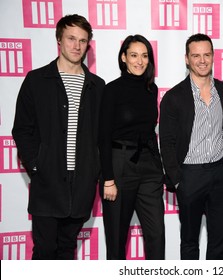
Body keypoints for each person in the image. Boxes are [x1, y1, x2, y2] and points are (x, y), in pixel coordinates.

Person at [12, 14, 105, 259]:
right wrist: (36, 164)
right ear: (59, 40)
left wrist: (95, 170)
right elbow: (22, 129)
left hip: (82, 183)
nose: (77, 46)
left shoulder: (98, 86)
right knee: (44, 251)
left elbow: (102, 136)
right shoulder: (36, 80)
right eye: (71, 38)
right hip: (47, 181)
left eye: (83, 41)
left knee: (67, 250)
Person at [159, 33, 223, 260]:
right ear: (186, 59)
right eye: (196, 55)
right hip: (190, 175)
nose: (202, 60)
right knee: (190, 240)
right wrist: (179, 180)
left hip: (220, 173)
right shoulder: (173, 97)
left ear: (213, 56)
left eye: (207, 55)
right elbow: (167, 143)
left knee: (221, 238)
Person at [98, 34, 165, 260]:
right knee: (117, 240)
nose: (139, 61)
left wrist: (159, 169)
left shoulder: (151, 89)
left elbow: (148, 131)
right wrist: (108, 179)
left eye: (144, 56)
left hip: (148, 166)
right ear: (123, 58)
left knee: (156, 236)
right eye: (134, 55)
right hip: (119, 165)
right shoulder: (112, 89)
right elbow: (103, 137)